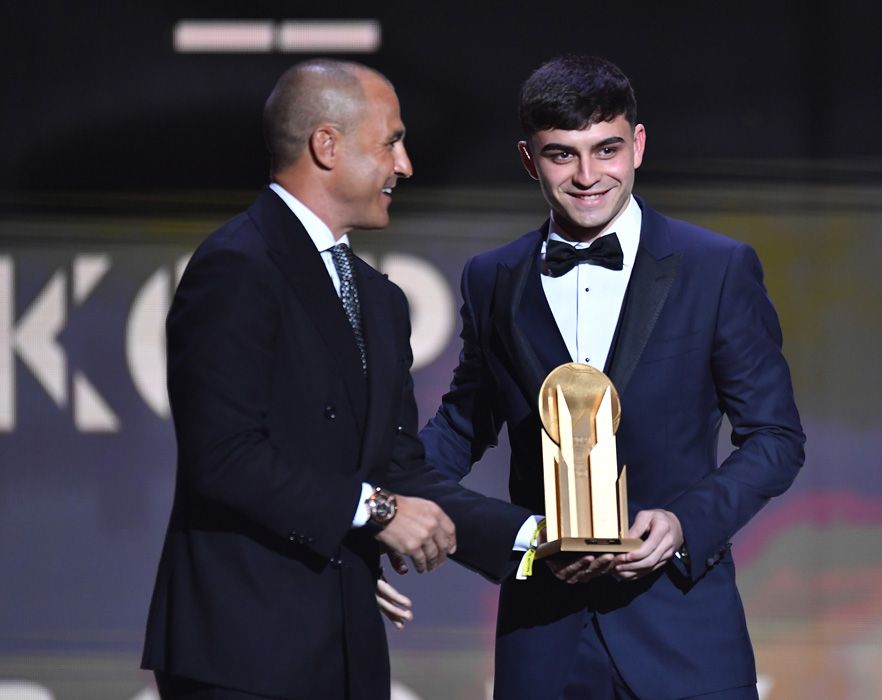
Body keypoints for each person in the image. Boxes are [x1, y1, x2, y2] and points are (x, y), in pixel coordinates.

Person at [416, 55, 806, 700]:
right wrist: (389, 494)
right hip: (543, 633)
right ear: (527, 159)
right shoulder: (494, 278)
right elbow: (464, 422)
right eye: (562, 155)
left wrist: (683, 524)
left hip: (683, 632)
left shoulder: (717, 267)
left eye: (607, 149)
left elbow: (775, 439)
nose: (589, 176)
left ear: (640, 144)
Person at [141, 59, 532, 699]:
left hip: (345, 652)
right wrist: (375, 511)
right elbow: (225, 456)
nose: (404, 166)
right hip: (243, 655)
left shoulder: (378, 300)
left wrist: (535, 539)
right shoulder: (237, 267)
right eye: (391, 141)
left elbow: (399, 468)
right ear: (327, 144)